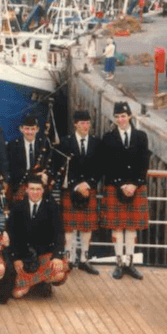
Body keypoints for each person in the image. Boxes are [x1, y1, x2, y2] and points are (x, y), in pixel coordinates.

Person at [102, 101, 150, 280]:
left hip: (136, 187)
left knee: (131, 228)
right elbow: (107, 164)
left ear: (129, 116)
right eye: (117, 117)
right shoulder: (108, 138)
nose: (120, 120)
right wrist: (121, 184)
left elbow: (144, 162)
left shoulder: (141, 136)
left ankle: (129, 263)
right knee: (117, 228)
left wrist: (135, 184)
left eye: (123, 116)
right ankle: (119, 263)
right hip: (116, 186)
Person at [5, 175, 68, 298]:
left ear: (43, 190)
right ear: (27, 190)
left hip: (44, 253)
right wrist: (16, 258)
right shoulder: (17, 207)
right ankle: (39, 284)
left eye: (38, 189)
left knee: (59, 273)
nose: (35, 192)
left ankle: (28, 284)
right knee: (17, 295)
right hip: (23, 255)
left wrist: (57, 256)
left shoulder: (52, 207)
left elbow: (59, 234)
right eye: (32, 189)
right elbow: (11, 234)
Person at [58, 110, 103, 275]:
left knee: (86, 227)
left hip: (88, 189)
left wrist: (89, 184)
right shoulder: (65, 142)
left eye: (87, 123)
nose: (85, 126)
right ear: (75, 124)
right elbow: (61, 167)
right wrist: (76, 185)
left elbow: (100, 167)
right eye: (82, 123)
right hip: (71, 188)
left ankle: (84, 259)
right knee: (69, 228)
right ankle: (69, 259)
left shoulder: (96, 143)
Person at [6, 114, 52, 203]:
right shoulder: (12, 146)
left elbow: (50, 166)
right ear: (21, 129)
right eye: (27, 128)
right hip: (19, 185)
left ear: (37, 129)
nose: (30, 132)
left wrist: (46, 176)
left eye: (33, 129)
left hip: (40, 185)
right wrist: (32, 176)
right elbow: (12, 170)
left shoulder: (44, 145)